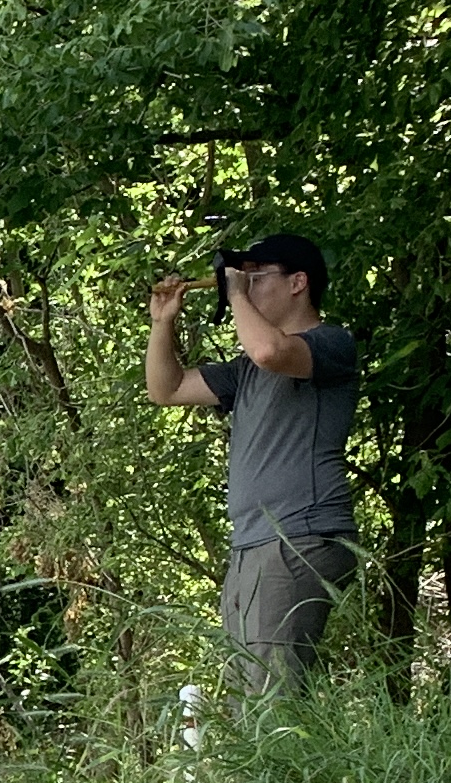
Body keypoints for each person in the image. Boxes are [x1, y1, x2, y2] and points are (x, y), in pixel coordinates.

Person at [147, 231, 360, 685]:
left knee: (273, 704)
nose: (245, 288)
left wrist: (235, 292)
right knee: (248, 706)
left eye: (257, 278)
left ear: (298, 282)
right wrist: (163, 323)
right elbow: (166, 389)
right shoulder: (244, 373)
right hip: (254, 547)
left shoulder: (331, 343)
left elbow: (270, 350)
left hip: (299, 537)